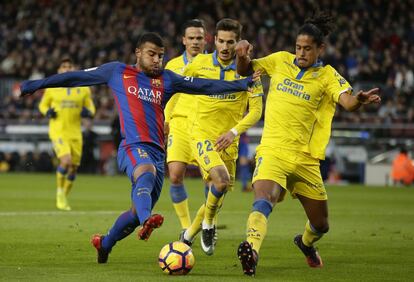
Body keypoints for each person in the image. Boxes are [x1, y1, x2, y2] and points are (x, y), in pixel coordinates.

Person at [20, 32, 258, 264]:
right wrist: (38, 84)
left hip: (157, 152)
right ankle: (148, 220)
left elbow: (204, 86)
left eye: (161, 55)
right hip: (132, 146)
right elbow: (75, 77)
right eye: (152, 54)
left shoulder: (167, 79)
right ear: (138, 53)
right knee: (145, 173)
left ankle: (104, 243)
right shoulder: (117, 72)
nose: (157, 60)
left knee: (134, 211)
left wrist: (242, 84)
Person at [235, 12, 381, 276]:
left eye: (307, 49)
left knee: (321, 224)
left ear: (320, 49)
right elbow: (245, 70)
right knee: (263, 199)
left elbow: (347, 102)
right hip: (273, 150)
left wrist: (359, 99)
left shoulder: (327, 75)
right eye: (298, 47)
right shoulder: (279, 61)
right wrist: (242, 54)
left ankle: (305, 243)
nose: (301, 53)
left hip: (305, 158)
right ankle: (252, 251)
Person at [179, 18, 263, 256]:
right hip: (201, 135)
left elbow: (256, 111)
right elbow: (175, 86)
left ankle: (186, 236)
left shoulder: (250, 71)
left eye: (231, 42)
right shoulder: (199, 64)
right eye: (221, 41)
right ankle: (208, 225)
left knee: (217, 197)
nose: (225, 47)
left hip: (229, 142)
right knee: (221, 181)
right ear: (213, 40)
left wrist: (233, 132)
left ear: (239, 43)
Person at [164, 19, 207, 230]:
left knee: (211, 180)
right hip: (179, 125)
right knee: (175, 176)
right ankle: (186, 227)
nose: (195, 42)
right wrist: (164, 120)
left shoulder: (212, 65)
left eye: (199, 38)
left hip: (205, 126)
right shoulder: (172, 66)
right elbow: (167, 98)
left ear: (206, 40)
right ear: (184, 40)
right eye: (191, 38)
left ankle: (209, 224)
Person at [38, 57, 95, 211]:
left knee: (74, 168)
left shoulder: (83, 88)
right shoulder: (52, 87)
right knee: (66, 160)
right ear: (59, 70)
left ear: (73, 69)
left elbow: (91, 108)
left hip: (75, 132)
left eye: (69, 66)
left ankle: (63, 195)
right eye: (64, 66)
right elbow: (43, 105)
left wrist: (88, 112)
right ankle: (59, 194)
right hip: (58, 130)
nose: (67, 69)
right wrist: (47, 111)